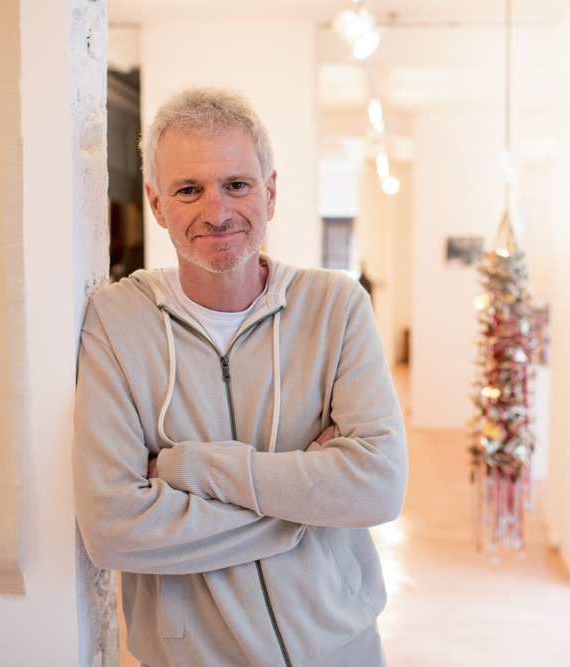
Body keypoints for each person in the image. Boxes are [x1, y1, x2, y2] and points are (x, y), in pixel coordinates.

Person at [73, 85, 408, 667]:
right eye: (188, 189)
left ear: (271, 191)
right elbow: (112, 530)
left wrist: (186, 468)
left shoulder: (336, 306)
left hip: (342, 649)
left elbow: (378, 484)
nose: (218, 210)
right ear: (156, 204)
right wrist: (303, 503)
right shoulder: (116, 321)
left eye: (237, 184)